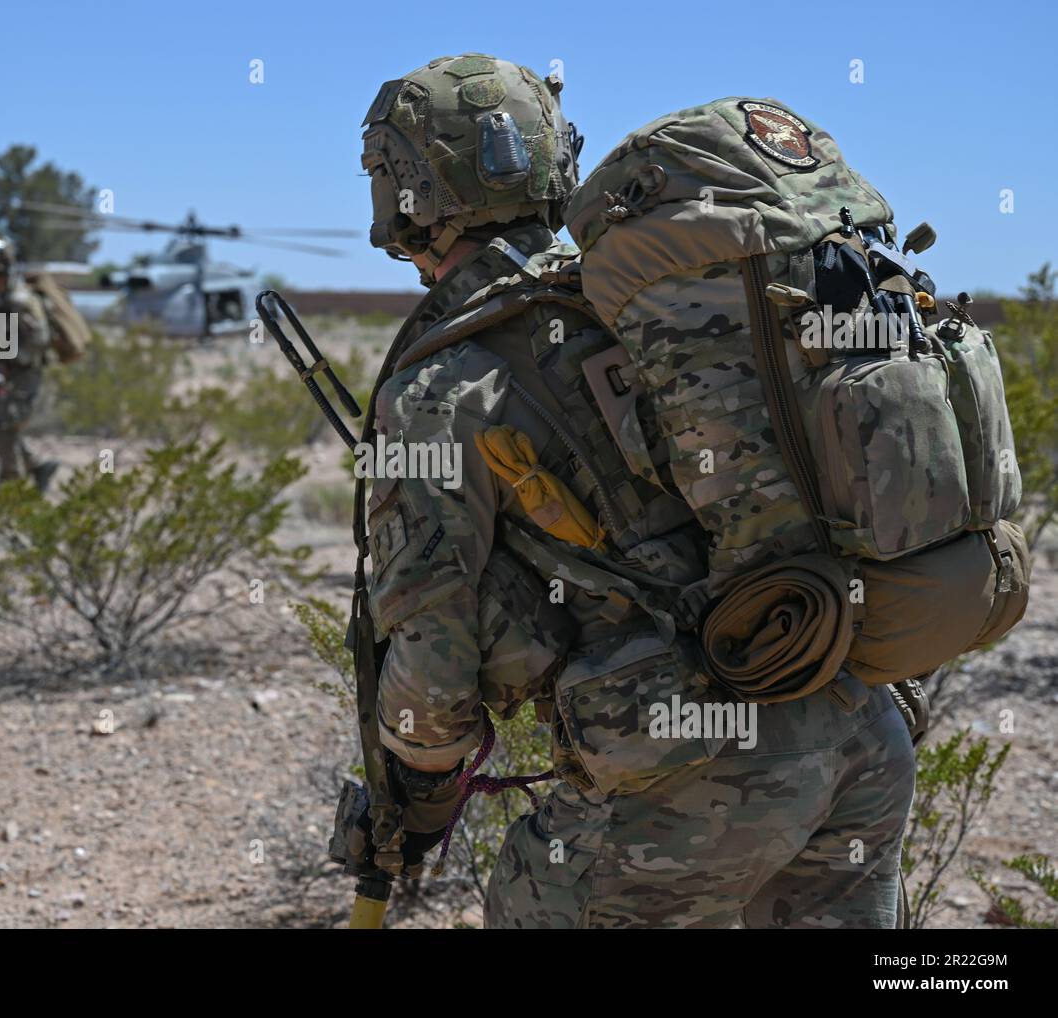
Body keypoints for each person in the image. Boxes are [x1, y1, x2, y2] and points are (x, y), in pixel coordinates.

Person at [351, 54, 917, 928]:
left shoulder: (441, 390)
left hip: (691, 784)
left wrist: (412, 788)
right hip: (857, 725)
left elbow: (431, 655)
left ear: (408, 192)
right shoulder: (665, 299)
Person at [0, 236, 58, 491]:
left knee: (5, 428)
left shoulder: (20, 300)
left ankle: (12, 492)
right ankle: (38, 466)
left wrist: (7, 358)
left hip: (22, 372)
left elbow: (38, 340)